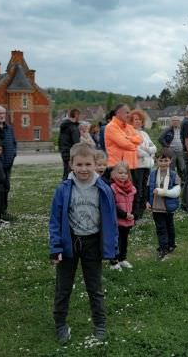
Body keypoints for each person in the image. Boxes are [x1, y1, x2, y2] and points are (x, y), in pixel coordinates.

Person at [49, 143, 118, 344]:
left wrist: (111, 247)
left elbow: (111, 220)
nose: (84, 169)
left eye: (88, 164)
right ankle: (60, 324)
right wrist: (56, 248)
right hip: (69, 243)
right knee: (63, 287)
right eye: (79, 164)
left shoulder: (103, 189)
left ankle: (100, 324)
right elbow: (54, 221)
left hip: (93, 244)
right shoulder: (63, 189)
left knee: (94, 287)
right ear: (71, 164)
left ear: (96, 164)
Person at [146, 148, 181, 260]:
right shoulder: (152, 174)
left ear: (170, 161)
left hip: (168, 205)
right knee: (160, 227)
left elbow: (177, 189)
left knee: (169, 225)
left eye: (166, 160)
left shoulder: (173, 175)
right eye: (161, 160)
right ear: (156, 161)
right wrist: (147, 201)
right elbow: (147, 189)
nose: (163, 163)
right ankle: (163, 247)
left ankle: (171, 244)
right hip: (156, 206)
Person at [104, 104, 143, 181]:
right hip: (117, 167)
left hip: (132, 166)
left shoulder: (129, 127)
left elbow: (140, 139)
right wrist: (134, 145)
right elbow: (125, 144)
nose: (129, 115)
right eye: (127, 113)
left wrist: (128, 138)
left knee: (133, 191)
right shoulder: (111, 127)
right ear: (118, 113)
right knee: (118, 192)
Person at [109, 162, 136, 270]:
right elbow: (113, 206)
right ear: (114, 174)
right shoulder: (112, 187)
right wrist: (124, 214)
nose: (123, 175)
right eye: (120, 173)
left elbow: (135, 202)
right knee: (116, 241)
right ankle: (114, 261)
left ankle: (122, 258)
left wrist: (134, 214)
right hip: (117, 220)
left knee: (124, 240)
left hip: (128, 220)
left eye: (125, 173)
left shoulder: (132, 188)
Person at [0, 106, 17, 219]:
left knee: (6, 187)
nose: (2, 115)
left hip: (8, 164)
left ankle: (4, 211)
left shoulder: (9, 128)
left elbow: (14, 143)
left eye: (3, 113)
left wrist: (13, 154)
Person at [131, 109, 156, 220]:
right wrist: (148, 151)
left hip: (147, 165)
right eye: (136, 119)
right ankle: (135, 214)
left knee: (145, 188)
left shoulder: (144, 134)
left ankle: (141, 212)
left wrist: (147, 150)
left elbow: (154, 147)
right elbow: (135, 151)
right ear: (131, 121)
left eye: (140, 119)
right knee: (137, 189)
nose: (138, 121)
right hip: (137, 166)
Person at [158, 116, 185, 182]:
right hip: (171, 151)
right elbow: (160, 139)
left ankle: (182, 182)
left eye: (177, 120)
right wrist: (167, 146)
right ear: (171, 122)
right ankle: (171, 182)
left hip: (180, 151)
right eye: (173, 120)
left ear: (179, 122)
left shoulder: (182, 130)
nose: (175, 122)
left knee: (182, 167)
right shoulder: (167, 130)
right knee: (171, 168)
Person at [58, 109, 80, 180]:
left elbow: (60, 140)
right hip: (72, 152)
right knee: (71, 173)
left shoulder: (64, 127)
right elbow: (76, 143)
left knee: (66, 171)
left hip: (64, 151)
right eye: (79, 115)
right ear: (76, 115)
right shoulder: (73, 127)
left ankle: (64, 186)